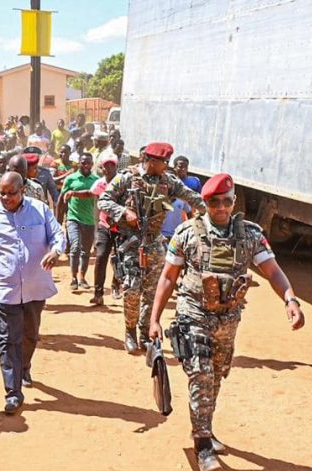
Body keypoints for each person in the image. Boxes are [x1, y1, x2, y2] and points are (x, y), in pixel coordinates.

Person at [148, 173, 305, 471]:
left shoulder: (249, 234)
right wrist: (154, 319)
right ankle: (203, 443)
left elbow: (273, 271)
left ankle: (205, 425)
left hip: (228, 318)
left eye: (226, 201)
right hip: (192, 312)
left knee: (217, 374)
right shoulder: (186, 234)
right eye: (214, 202)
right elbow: (168, 277)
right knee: (202, 372)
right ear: (204, 203)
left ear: (233, 201)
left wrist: (290, 300)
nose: (221, 207)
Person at [98, 142, 205, 353]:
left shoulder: (168, 181)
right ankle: (129, 331)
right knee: (132, 288)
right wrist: (123, 212)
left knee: (151, 290)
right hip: (130, 242)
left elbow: (191, 197)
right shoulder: (127, 177)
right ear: (151, 161)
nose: (167, 166)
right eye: (164, 162)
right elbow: (104, 200)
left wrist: (209, 209)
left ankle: (145, 332)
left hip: (154, 242)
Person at [0, 172, 65, 413]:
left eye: (11, 193)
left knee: (29, 335)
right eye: (2, 193)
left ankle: (23, 366)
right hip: (5, 287)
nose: (6, 198)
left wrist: (56, 252)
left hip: (35, 286)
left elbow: (58, 235)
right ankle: (13, 391)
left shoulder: (40, 210)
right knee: (6, 338)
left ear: (22, 190)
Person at [60, 152, 99, 291]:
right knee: (75, 247)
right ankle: (74, 278)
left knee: (86, 251)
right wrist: (59, 220)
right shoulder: (71, 179)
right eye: (83, 163)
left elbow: (96, 195)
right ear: (79, 163)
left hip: (90, 220)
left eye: (89, 162)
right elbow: (61, 199)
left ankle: (82, 277)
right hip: (73, 218)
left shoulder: (96, 180)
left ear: (92, 164)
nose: (86, 165)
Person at [89, 156, 119, 306]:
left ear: (116, 167)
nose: (108, 169)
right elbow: (96, 206)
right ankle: (98, 293)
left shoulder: (122, 183)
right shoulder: (99, 184)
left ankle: (116, 285)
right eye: (105, 166)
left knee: (118, 259)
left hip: (121, 228)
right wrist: (96, 227)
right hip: (104, 226)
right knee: (101, 257)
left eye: (111, 166)